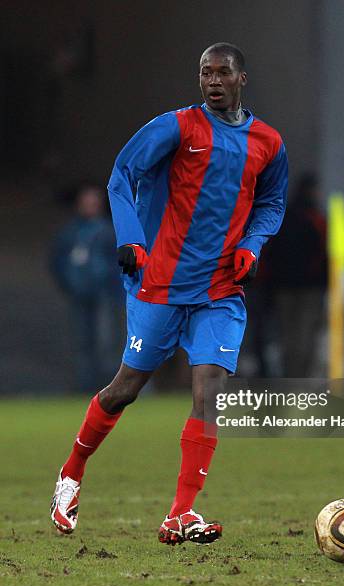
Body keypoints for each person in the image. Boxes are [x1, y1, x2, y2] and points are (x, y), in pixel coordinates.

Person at [50, 42, 288, 546]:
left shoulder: (268, 142)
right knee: (124, 389)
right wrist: (131, 238)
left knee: (208, 393)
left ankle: (180, 513)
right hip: (160, 283)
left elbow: (271, 202)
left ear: (242, 78)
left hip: (220, 288)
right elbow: (121, 176)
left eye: (223, 72)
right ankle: (71, 472)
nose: (213, 80)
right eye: (206, 72)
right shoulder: (176, 127)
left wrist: (252, 244)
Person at [50, 184, 122, 391]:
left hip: (104, 296)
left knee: (106, 342)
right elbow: (57, 261)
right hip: (79, 295)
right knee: (82, 343)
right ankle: (85, 388)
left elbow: (119, 264)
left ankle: (111, 390)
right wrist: (69, 284)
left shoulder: (109, 231)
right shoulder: (70, 233)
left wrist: (115, 291)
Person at [268, 173, 327, 377]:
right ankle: (300, 376)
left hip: (285, 285)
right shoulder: (316, 219)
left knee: (288, 335)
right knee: (304, 334)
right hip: (308, 287)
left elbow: (272, 252)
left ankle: (289, 374)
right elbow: (323, 253)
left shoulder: (283, 217)